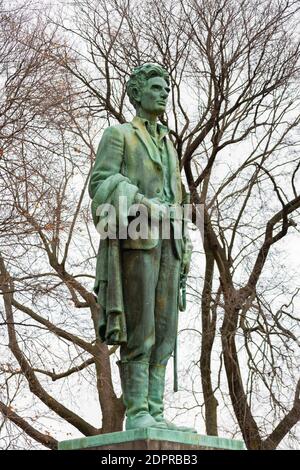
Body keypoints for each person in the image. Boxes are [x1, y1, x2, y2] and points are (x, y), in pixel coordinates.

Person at [89, 63, 194, 433]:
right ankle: (137, 412)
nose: (164, 92)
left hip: (170, 244)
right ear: (136, 93)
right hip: (137, 239)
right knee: (142, 327)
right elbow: (101, 185)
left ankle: (156, 410)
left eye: (167, 87)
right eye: (155, 86)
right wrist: (143, 204)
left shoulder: (169, 144)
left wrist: (186, 239)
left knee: (165, 332)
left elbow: (177, 197)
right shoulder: (119, 135)